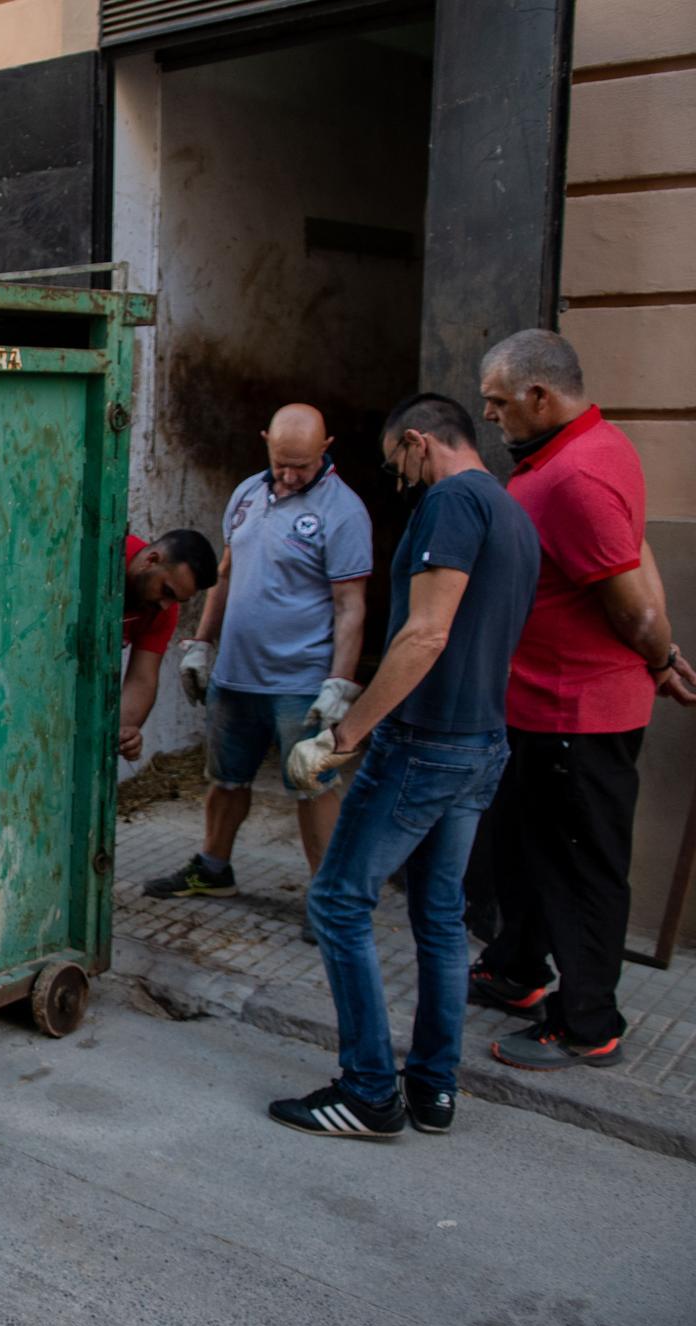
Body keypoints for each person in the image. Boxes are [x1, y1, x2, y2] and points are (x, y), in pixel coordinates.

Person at [267, 394, 538, 1138]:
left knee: (337, 902)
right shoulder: (511, 511)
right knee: (441, 916)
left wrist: (345, 736)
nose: (401, 482)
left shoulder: (451, 503)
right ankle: (433, 1088)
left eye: (398, 467)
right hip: (482, 741)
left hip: (426, 743)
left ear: (419, 443)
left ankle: (366, 1092)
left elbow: (426, 635)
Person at [467, 330, 696, 1072]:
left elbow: (633, 601)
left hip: (578, 714)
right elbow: (636, 551)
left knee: (580, 870)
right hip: (537, 707)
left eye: (498, 402)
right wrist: (661, 654)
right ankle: (515, 971)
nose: (490, 415)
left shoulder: (577, 477)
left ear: (539, 396)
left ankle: (588, 1024)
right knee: (522, 852)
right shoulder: (597, 445)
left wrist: (658, 654)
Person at [145, 404, 371, 903]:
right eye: (281, 463)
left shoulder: (344, 512)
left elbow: (350, 605)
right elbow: (225, 574)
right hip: (236, 675)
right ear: (266, 441)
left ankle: (327, 899)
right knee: (225, 779)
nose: (289, 477)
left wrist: (340, 682)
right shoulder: (247, 492)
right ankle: (213, 867)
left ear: (326, 448)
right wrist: (202, 643)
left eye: (302, 466)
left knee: (312, 784)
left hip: (301, 682)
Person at [119, 529, 220, 762]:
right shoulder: (105, 554)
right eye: (166, 591)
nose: (165, 605)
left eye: (176, 600)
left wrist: (123, 733)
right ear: (151, 560)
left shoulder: (163, 611)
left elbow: (142, 678)